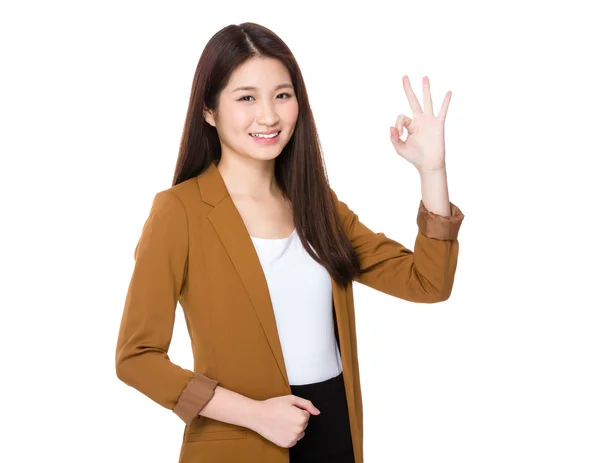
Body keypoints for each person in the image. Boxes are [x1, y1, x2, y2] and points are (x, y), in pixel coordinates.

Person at [115, 22, 465, 463]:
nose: (269, 116)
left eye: (282, 95)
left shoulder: (318, 206)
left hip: (336, 435)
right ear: (209, 111)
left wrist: (432, 171)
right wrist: (254, 414)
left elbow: (428, 282)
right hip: (242, 443)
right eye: (246, 98)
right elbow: (136, 357)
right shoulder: (179, 212)